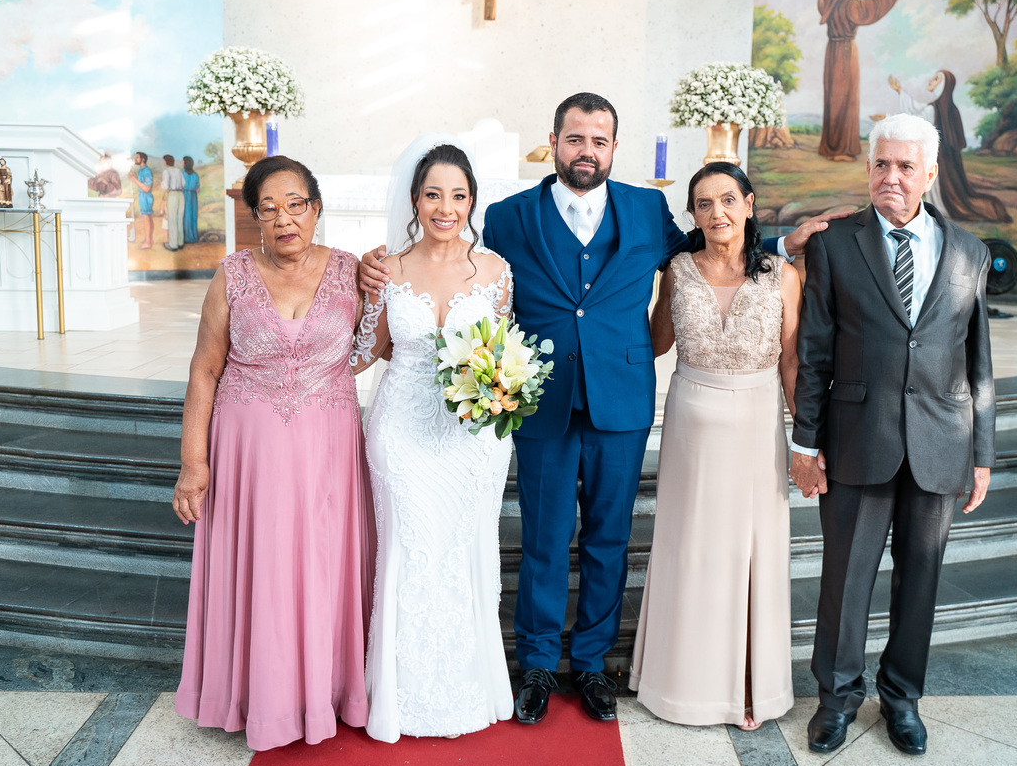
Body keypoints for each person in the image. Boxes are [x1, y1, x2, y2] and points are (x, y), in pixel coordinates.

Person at [359, 94, 842, 727]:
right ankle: (536, 663)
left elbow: (711, 243)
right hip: (539, 403)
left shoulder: (646, 210)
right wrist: (376, 265)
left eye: (600, 141)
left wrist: (779, 241)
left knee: (610, 537)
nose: (587, 151)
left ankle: (590, 663)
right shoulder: (507, 217)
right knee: (544, 539)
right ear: (554, 141)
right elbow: (449, 256)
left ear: (615, 148)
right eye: (575, 139)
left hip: (622, 399)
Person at [790, 113, 995, 756]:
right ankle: (837, 698)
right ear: (868, 169)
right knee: (844, 580)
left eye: (906, 167)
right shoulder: (834, 243)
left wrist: (981, 454)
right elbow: (815, 352)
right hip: (857, 437)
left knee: (922, 580)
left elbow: (979, 361)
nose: (892, 177)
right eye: (881, 164)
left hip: (942, 444)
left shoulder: (969, 251)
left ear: (930, 174)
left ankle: (902, 698)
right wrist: (803, 443)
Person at [172, 155, 372, 751]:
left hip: (328, 450)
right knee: (261, 569)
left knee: (320, 567)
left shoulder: (351, 271)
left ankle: (327, 694)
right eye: (269, 208)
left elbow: (370, 349)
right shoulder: (231, 275)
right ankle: (255, 700)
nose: (284, 218)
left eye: (296, 204)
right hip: (248, 455)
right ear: (254, 216)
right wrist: (193, 464)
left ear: (316, 209)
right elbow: (204, 370)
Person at [630, 162, 801, 731]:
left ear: (750, 204)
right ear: (693, 215)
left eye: (727, 200)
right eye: (703, 204)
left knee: (753, 551)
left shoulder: (781, 275)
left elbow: (793, 361)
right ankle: (679, 683)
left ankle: (751, 684)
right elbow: (654, 340)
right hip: (690, 428)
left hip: (757, 422)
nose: (717, 213)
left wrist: (806, 440)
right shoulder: (676, 271)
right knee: (692, 547)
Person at [354, 141, 514, 743]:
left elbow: (503, 359)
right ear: (415, 200)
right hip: (402, 429)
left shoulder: (496, 272)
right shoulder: (386, 270)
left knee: (465, 550)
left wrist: (503, 394)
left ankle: (472, 684)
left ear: (472, 200)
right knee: (410, 547)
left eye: (459, 195)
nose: (446, 207)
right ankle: (400, 695)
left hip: (474, 439)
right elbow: (364, 353)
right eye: (433, 194)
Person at [891, 71, 1012, 223]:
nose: (931, 80)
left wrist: (900, 94)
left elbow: (916, 114)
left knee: (940, 185)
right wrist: (900, 91)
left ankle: (940, 207)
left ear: (942, 85)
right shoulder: (950, 108)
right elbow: (917, 110)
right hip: (949, 159)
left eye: (935, 79)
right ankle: (938, 206)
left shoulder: (934, 109)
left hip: (939, 158)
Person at [818, 0, 911, 161]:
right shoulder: (849, 3)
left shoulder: (831, 0)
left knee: (836, 98)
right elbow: (873, 8)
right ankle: (840, 150)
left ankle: (833, 147)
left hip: (833, 51)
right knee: (844, 98)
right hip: (844, 53)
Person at [161, 154, 186, 251]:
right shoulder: (178, 171)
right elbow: (183, 184)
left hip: (173, 195)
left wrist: (162, 184)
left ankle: (173, 245)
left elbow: (165, 186)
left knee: (172, 219)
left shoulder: (166, 171)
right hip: (181, 194)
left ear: (166, 162)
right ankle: (180, 243)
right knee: (179, 219)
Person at [131, 152, 154, 249]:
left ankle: (148, 242)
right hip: (143, 197)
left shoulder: (146, 171)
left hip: (146, 197)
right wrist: (136, 178)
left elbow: (147, 188)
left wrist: (134, 180)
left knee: (147, 219)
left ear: (143, 159)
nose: (135, 159)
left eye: (137, 157)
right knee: (148, 218)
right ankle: (148, 240)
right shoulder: (142, 170)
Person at [181, 156, 201, 243]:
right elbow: (198, 188)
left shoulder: (182, 174)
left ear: (186, 163)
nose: (182, 163)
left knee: (185, 216)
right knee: (192, 215)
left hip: (184, 195)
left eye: (183, 162)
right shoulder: (195, 175)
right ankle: (193, 237)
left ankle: (186, 237)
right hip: (193, 197)